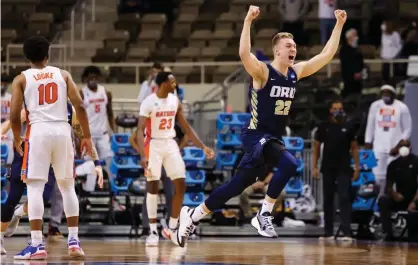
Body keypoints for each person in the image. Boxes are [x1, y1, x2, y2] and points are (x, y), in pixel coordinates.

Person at [176, 6, 347, 246]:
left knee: (234, 187)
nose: (293, 49)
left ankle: (192, 215)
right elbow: (244, 54)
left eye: (295, 46)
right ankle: (263, 214)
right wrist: (247, 20)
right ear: (277, 51)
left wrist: (338, 25)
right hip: (255, 135)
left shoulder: (295, 73)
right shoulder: (263, 72)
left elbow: (326, 56)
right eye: (289, 46)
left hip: (271, 140)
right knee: (290, 163)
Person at [9, 36, 93, 259]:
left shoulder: (21, 79)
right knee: (67, 187)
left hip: (38, 131)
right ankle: (74, 241)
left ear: (27, 57)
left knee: (35, 188)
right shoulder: (63, 74)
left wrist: (17, 137)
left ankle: (37, 244)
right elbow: (81, 106)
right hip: (63, 131)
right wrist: (87, 137)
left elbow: (14, 114)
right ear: (48, 56)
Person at [1, 104, 103, 254]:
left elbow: (83, 135)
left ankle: (22, 216)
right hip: (25, 152)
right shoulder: (35, 101)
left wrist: (97, 162)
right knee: (13, 198)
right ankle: (1, 236)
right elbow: (13, 120)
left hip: (50, 158)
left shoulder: (68, 108)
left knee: (40, 198)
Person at [136, 72, 214, 246]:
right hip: (153, 145)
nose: (175, 83)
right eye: (172, 81)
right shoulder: (148, 102)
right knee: (153, 187)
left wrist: (202, 147)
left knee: (181, 184)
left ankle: (171, 229)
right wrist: (142, 155)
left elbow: (185, 126)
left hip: (170, 144)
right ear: (163, 84)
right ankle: (153, 231)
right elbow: (140, 131)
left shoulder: (174, 100)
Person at [129, 120, 188, 237]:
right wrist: (142, 153)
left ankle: (172, 226)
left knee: (171, 194)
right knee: (149, 195)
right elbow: (132, 139)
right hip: (152, 160)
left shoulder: (171, 123)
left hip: (167, 161)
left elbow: (186, 136)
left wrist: (177, 149)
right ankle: (147, 228)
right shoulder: (147, 123)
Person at [312, 99, 360, 241]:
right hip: (327, 168)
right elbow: (315, 149)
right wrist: (314, 167)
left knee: (344, 197)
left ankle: (347, 232)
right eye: (335, 108)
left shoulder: (349, 127)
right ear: (330, 110)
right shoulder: (323, 127)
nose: (337, 110)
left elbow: (355, 148)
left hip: (344, 168)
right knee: (328, 199)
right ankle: (328, 232)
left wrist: (357, 167)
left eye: (340, 108)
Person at [365, 85, 412, 196]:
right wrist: (368, 142)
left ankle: (392, 203)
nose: (385, 95)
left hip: (394, 148)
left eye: (388, 93)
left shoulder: (402, 107)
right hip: (378, 147)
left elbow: (408, 128)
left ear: (393, 94)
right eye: (383, 93)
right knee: (377, 177)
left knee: (393, 177)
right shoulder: (375, 106)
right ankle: (379, 202)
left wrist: (399, 145)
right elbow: (370, 125)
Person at [378, 140, 418, 241]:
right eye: (401, 146)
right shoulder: (393, 165)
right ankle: (388, 234)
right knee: (383, 200)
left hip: (415, 198)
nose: (403, 148)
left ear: (410, 148)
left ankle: (413, 238)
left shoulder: (416, 162)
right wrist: (394, 194)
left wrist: (414, 202)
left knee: (413, 217)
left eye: (405, 146)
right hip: (400, 198)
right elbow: (388, 187)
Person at [339, 28, 365, 98]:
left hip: (358, 80)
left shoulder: (357, 49)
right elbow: (346, 64)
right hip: (349, 79)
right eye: (354, 35)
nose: (357, 37)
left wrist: (361, 72)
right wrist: (354, 73)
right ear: (349, 38)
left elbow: (361, 62)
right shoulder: (344, 50)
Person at [1, 74, 14, 164]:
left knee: (9, 161)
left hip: (9, 133)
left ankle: (8, 176)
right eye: (2, 83)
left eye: (6, 84)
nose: (4, 86)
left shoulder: (11, 98)